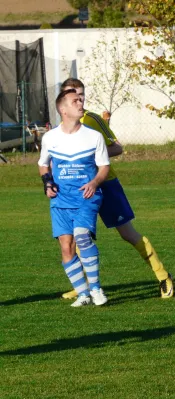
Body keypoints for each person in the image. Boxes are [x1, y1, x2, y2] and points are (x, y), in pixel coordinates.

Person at [59, 78, 174, 299]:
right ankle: (82, 286)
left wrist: (93, 155)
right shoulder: (61, 128)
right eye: (73, 95)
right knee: (79, 237)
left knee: (128, 234)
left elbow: (117, 147)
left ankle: (162, 275)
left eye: (81, 94)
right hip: (81, 188)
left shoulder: (91, 119)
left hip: (106, 184)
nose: (79, 99)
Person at [38, 89, 110, 307]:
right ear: (63, 109)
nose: (80, 103)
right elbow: (43, 164)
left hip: (86, 197)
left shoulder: (94, 136)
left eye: (81, 100)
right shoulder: (50, 137)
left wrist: (94, 182)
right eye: (75, 101)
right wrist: (47, 183)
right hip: (60, 200)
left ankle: (96, 288)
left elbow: (104, 167)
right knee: (66, 247)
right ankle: (83, 294)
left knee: (82, 236)